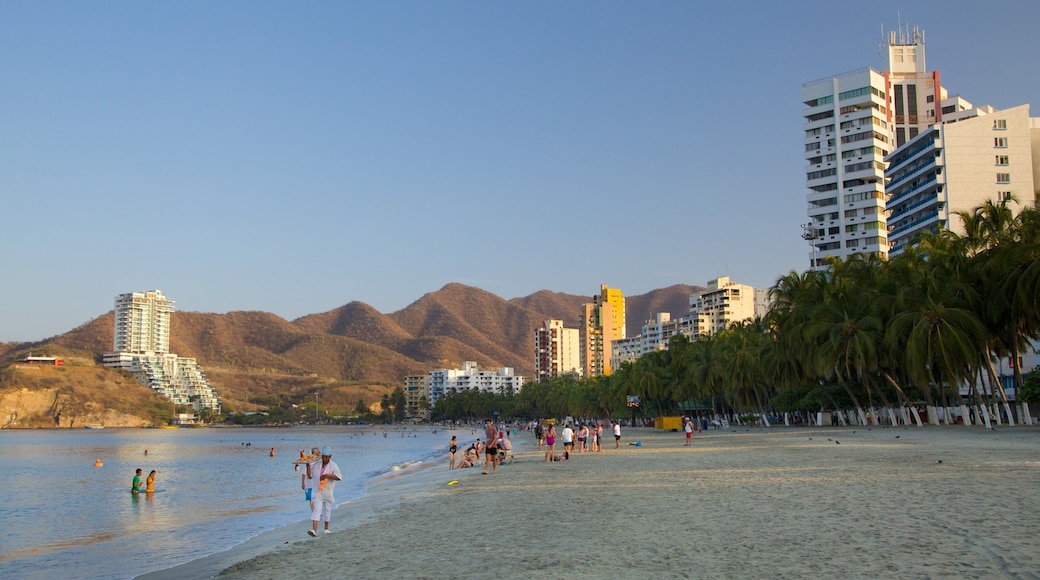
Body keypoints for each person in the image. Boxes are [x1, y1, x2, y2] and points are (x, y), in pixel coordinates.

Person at [309, 446, 342, 537]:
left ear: (330, 457)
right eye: (323, 457)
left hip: (327, 490)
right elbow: (309, 476)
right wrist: (307, 465)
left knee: (327, 509)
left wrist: (327, 475)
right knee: (317, 509)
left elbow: (339, 477)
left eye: (326, 457)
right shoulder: (317, 464)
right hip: (317, 490)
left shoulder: (333, 465)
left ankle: (326, 528)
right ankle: (314, 530)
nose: (324, 459)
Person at [302, 446, 320, 514]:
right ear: (314, 454)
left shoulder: (318, 462)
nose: (319, 453)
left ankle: (317, 511)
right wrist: (303, 483)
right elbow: (304, 473)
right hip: (309, 484)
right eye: (318, 452)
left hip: (316, 483)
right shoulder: (310, 462)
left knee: (316, 498)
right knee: (311, 499)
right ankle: (314, 512)